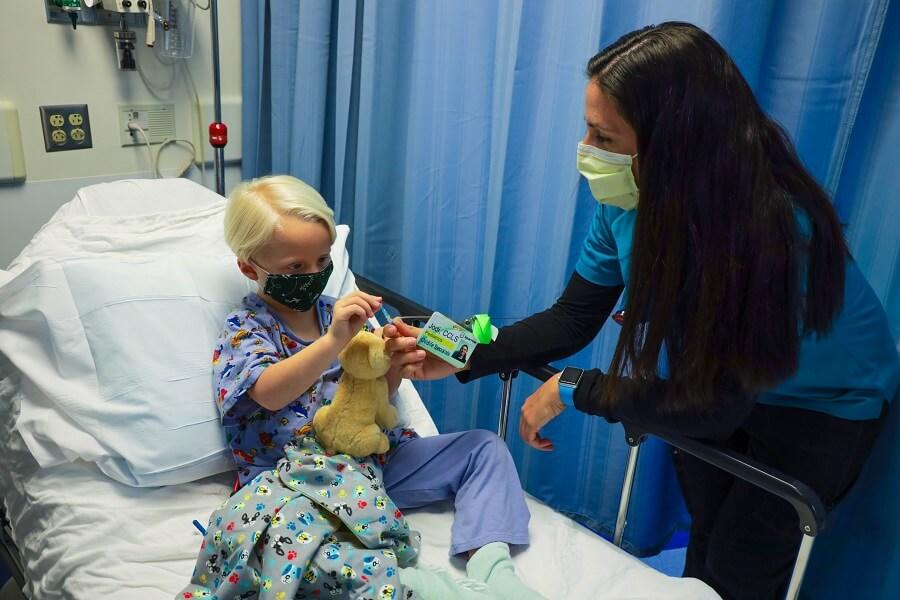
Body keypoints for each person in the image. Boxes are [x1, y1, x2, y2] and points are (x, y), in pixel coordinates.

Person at [385, 22, 900, 600]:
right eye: (588, 129)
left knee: (741, 571)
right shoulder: (628, 198)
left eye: (604, 137)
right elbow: (574, 316)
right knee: (705, 552)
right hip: (717, 384)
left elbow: (711, 408)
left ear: (674, 144)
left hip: (818, 406)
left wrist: (574, 389)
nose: (587, 150)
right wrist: (458, 352)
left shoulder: (768, 232)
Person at [209, 174, 543, 599]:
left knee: (484, 449)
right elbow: (269, 391)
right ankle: (414, 585)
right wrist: (333, 341)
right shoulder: (247, 328)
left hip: (376, 463)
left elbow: (371, 400)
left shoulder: (345, 314)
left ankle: (493, 568)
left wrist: (400, 366)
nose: (314, 274)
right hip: (302, 484)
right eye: (296, 267)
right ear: (248, 266)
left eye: (322, 260)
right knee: (297, 546)